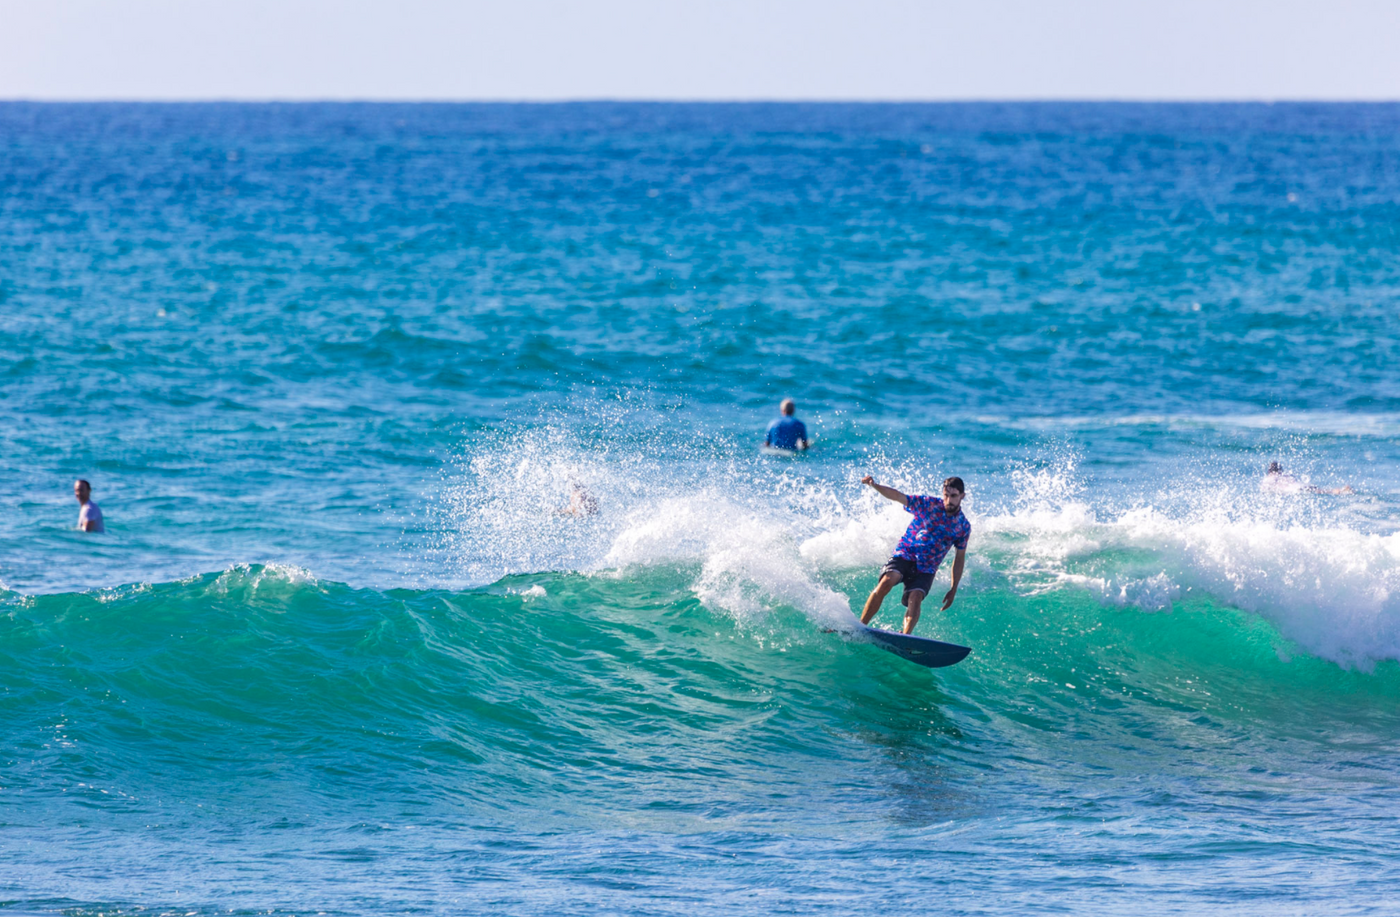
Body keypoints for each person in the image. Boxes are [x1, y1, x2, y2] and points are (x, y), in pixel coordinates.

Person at [859, 475, 969, 635]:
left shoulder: (963, 526)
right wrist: (875, 485)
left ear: (962, 496)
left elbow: (959, 559)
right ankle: (860, 626)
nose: (948, 500)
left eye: (953, 496)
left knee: (915, 598)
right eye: (946, 495)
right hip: (905, 554)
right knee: (886, 582)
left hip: (927, 568)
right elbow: (898, 496)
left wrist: (954, 588)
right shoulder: (928, 504)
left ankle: (906, 637)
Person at [1261, 462, 1352, 495]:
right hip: (1301, 485)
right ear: (1280, 470)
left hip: (1293, 489)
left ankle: (1338, 491)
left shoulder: (1269, 478)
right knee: (1320, 490)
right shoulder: (1286, 476)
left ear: (1269, 471)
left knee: (1318, 491)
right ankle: (1340, 490)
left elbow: (1265, 489)